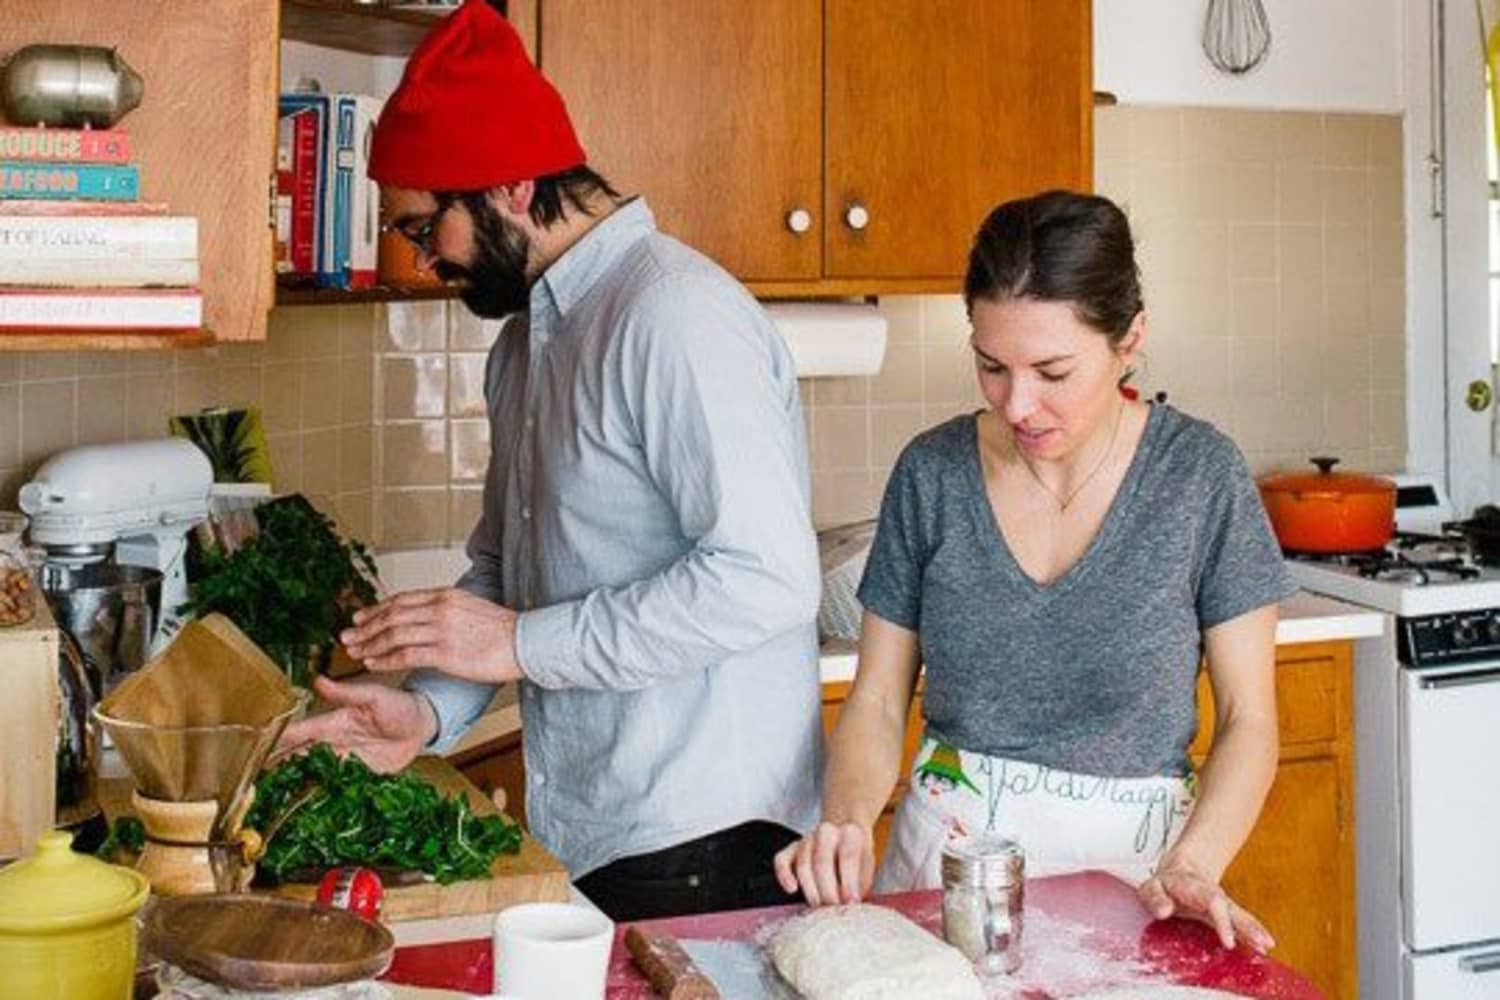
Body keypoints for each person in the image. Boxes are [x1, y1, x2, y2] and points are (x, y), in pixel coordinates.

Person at [276, 0, 823, 922]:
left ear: (514, 188)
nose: (420, 263)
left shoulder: (674, 317)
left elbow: (767, 580)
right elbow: (502, 577)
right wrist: (429, 712)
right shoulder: (524, 345)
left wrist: (520, 644)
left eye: (423, 230)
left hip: (709, 844)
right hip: (595, 831)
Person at [772, 190, 1294, 953]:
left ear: (1130, 341)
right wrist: (846, 822)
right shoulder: (932, 474)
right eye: (991, 366)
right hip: (942, 879)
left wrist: (1196, 863)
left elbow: (1250, 721)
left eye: (1052, 371)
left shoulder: (1199, 477)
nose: (1018, 405)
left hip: (1140, 884)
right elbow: (880, 701)